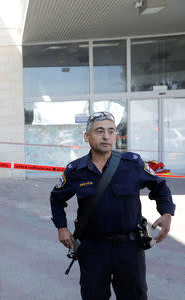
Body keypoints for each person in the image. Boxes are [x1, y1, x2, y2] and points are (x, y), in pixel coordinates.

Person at [50, 111, 175, 300]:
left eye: (111, 131)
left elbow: (159, 186)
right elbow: (57, 198)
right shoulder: (76, 170)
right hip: (92, 248)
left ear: (115, 136)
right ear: (87, 136)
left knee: (135, 295)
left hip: (130, 248)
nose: (106, 136)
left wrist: (166, 212)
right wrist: (61, 227)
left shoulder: (132, 164)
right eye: (99, 131)